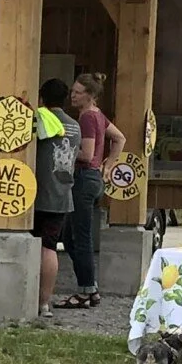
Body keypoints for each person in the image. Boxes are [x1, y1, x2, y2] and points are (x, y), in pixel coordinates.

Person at [59, 71, 124, 306]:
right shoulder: (99, 115)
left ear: (89, 95)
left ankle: (86, 290)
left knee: (80, 237)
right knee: (69, 235)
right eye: (72, 91)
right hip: (94, 178)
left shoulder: (87, 118)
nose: (72, 96)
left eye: (77, 92)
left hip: (84, 178)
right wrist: (109, 163)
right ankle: (90, 287)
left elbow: (86, 154)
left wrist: (62, 150)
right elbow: (119, 138)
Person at [31, 79, 81, 317]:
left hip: (38, 193)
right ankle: (45, 303)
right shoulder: (75, 126)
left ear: (41, 98)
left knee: (31, 245)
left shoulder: (40, 120)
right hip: (62, 194)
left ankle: (27, 298)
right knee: (50, 247)